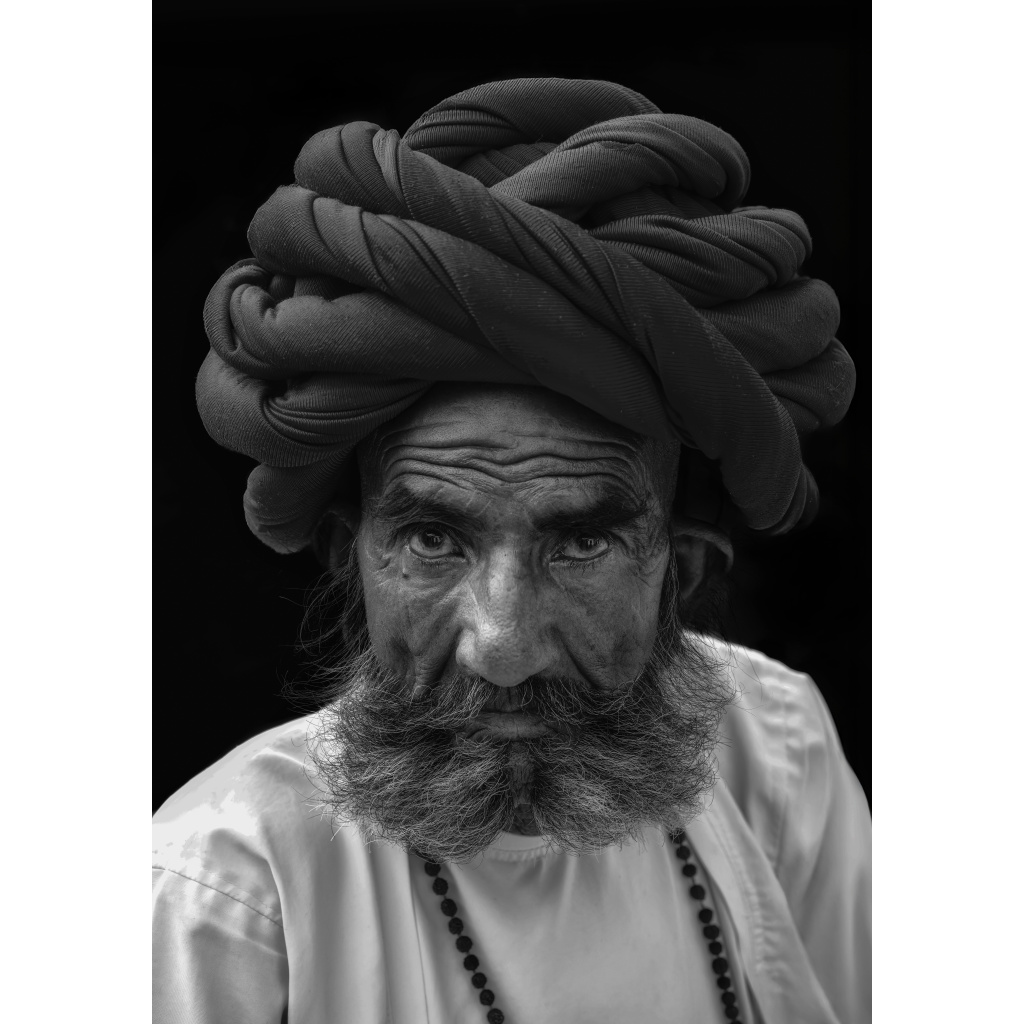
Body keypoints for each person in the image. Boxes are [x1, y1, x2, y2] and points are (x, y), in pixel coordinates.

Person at [152, 78, 869, 1024]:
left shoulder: (779, 750)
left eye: (580, 542)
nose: (502, 644)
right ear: (348, 559)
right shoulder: (223, 883)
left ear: (680, 573)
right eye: (434, 539)